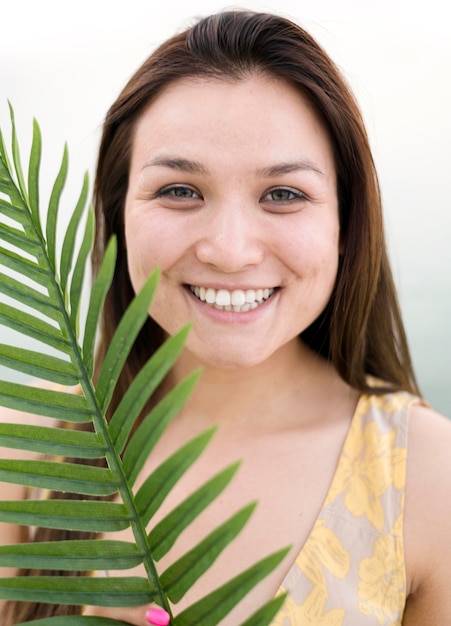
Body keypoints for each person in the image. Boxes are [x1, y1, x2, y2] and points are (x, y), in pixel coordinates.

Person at [1, 9, 451, 626]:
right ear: (119, 215)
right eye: (180, 190)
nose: (231, 250)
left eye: (284, 195)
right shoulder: (26, 450)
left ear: (344, 225)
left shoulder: (429, 481)